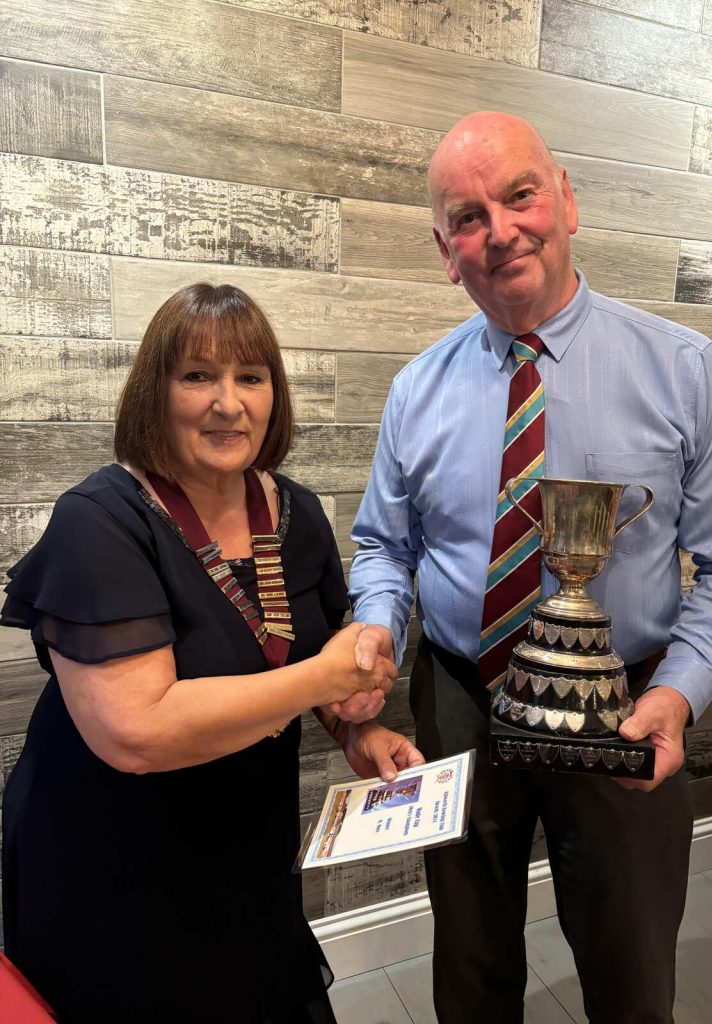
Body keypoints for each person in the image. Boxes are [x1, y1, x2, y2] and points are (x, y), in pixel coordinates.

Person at [349, 111, 712, 1023]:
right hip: (458, 698)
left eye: (520, 195)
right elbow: (384, 543)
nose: (499, 230)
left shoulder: (683, 370)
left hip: (626, 710)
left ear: (567, 200)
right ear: (442, 249)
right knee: (469, 961)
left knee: (628, 966)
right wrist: (375, 627)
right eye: (467, 216)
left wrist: (683, 692)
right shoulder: (415, 390)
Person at [1, 283, 423, 1024]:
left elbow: (306, 667)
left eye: (250, 377)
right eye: (197, 376)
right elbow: (137, 730)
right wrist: (324, 676)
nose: (229, 402)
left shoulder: (295, 514)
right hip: (111, 861)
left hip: (244, 848)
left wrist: (356, 727)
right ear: (154, 393)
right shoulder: (99, 522)